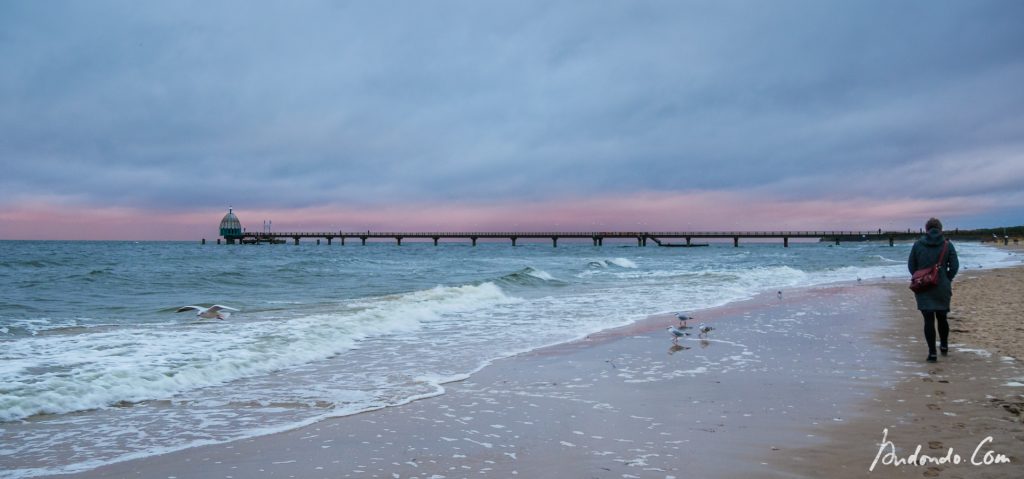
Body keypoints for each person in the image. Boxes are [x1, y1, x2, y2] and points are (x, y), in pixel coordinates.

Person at [908, 217, 959, 363]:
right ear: (940, 229)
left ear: (926, 229)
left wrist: (920, 277)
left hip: (923, 286)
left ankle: (932, 353)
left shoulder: (918, 244)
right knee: (942, 317)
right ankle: (944, 345)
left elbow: (911, 266)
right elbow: (954, 266)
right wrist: (946, 278)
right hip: (942, 286)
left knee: (928, 319)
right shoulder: (947, 245)